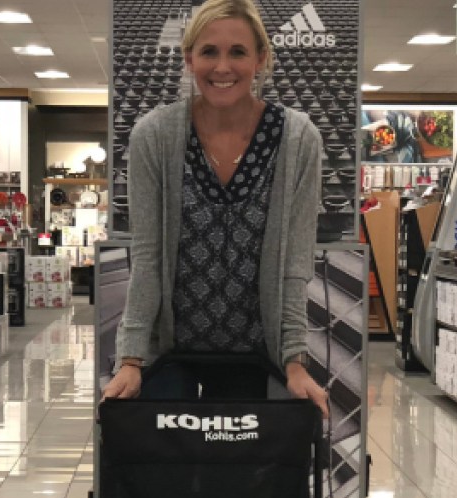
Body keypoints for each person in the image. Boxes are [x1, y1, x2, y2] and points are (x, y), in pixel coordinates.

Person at [102, 0, 328, 417]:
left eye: (238, 52)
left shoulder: (298, 139)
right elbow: (148, 257)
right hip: (171, 351)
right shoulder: (154, 135)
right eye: (209, 52)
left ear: (261, 59)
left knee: (241, 479)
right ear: (190, 58)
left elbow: (295, 263)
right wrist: (130, 360)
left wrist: (295, 360)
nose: (222, 67)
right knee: (170, 479)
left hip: (254, 353)